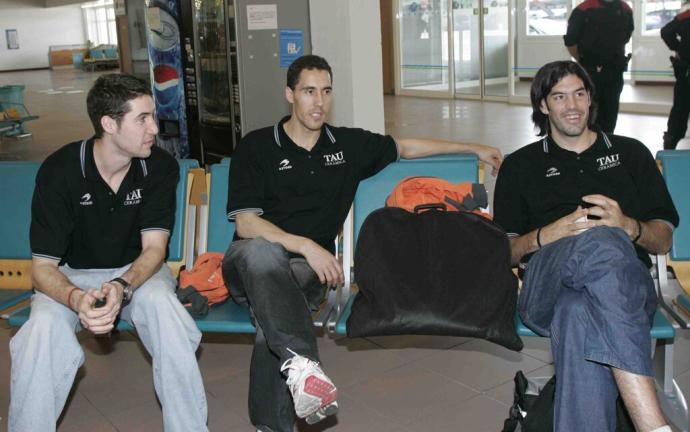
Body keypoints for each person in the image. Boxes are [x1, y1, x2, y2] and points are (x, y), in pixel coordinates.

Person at [221, 54, 503, 432]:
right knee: (262, 254)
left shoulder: (346, 146)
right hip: (251, 264)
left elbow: (405, 147)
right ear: (290, 95)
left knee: (272, 318)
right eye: (308, 91)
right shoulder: (257, 146)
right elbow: (246, 223)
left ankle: (282, 407)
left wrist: (473, 147)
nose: (318, 102)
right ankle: (303, 363)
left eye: (325, 91)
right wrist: (306, 244)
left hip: (305, 274)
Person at [8, 74, 208, 432]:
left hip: (138, 272)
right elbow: (42, 268)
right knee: (40, 330)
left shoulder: (158, 167)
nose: (154, 128)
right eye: (142, 118)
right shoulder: (60, 171)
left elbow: (154, 250)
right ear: (108, 124)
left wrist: (121, 286)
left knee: (167, 312)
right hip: (71, 275)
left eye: (152, 117)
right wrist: (74, 297)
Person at [494, 60, 678, 432]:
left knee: (578, 310)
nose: (572, 105)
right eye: (559, 97)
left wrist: (629, 226)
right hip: (545, 283)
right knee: (600, 240)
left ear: (592, 98)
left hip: (626, 288)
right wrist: (548, 234)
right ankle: (652, 423)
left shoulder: (631, 154)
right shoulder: (520, 165)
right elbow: (504, 252)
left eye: (580, 93)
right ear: (543, 106)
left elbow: (663, 239)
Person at [564, 0, 633, 134]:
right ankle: (586, 148)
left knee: (610, 112)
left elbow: (626, 36)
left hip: (615, 70)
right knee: (588, 112)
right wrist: (582, 60)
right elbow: (571, 41)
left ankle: (606, 145)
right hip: (589, 70)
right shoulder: (583, 9)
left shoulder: (625, 9)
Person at [661, 1, 690, 150]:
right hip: (686, 71)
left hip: (686, 70)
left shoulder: (686, 16)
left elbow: (666, 32)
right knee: (680, 108)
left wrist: (679, 48)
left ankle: (671, 141)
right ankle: (671, 140)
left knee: (680, 108)